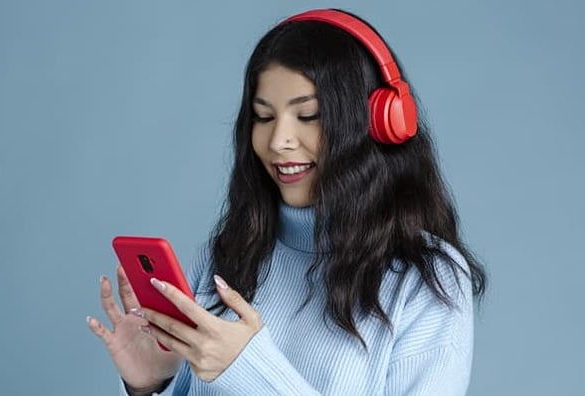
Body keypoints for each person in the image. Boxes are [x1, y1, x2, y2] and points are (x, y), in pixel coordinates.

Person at [87, 8, 486, 396]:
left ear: (376, 122)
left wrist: (249, 370)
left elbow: (247, 375)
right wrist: (152, 386)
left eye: (308, 115)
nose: (279, 142)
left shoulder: (425, 281)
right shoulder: (225, 256)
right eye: (263, 117)